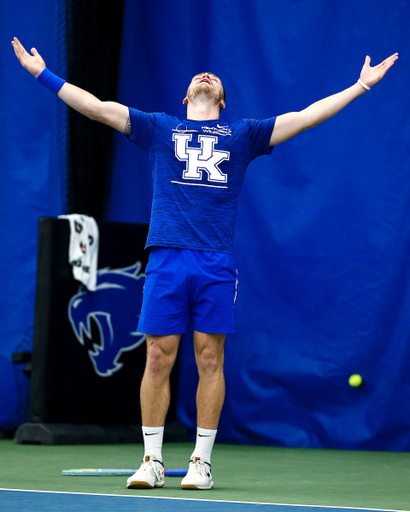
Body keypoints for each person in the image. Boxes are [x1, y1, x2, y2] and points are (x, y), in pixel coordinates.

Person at [12, 37, 398, 490]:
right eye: (199, 76)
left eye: (214, 79)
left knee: (209, 357)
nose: (206, 75)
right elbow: (97, 107)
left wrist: (360, 87)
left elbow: (306, 117)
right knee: (157, 356)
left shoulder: (243, 135)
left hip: (215, 263)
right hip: (165, 259)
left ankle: (201, 463)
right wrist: (43, 74)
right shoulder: (158, 128)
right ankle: (152, 461)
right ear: (185, 97)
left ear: (222, 99)